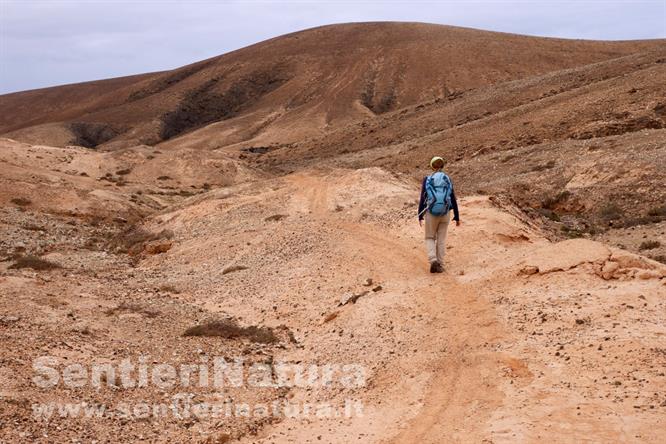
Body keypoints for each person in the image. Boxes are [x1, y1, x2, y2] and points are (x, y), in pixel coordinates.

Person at [417, 156, 460, 273]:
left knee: (430, 237)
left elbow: (422, 198)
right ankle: (440, 264)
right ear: (442, 166)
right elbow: (452, 198)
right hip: (445, 213)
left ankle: (433, 260)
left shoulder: (427, 179)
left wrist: (419, 215)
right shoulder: (447, 179)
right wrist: (457, 216)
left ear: (432, 166)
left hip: (431, 212)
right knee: (441, 239)